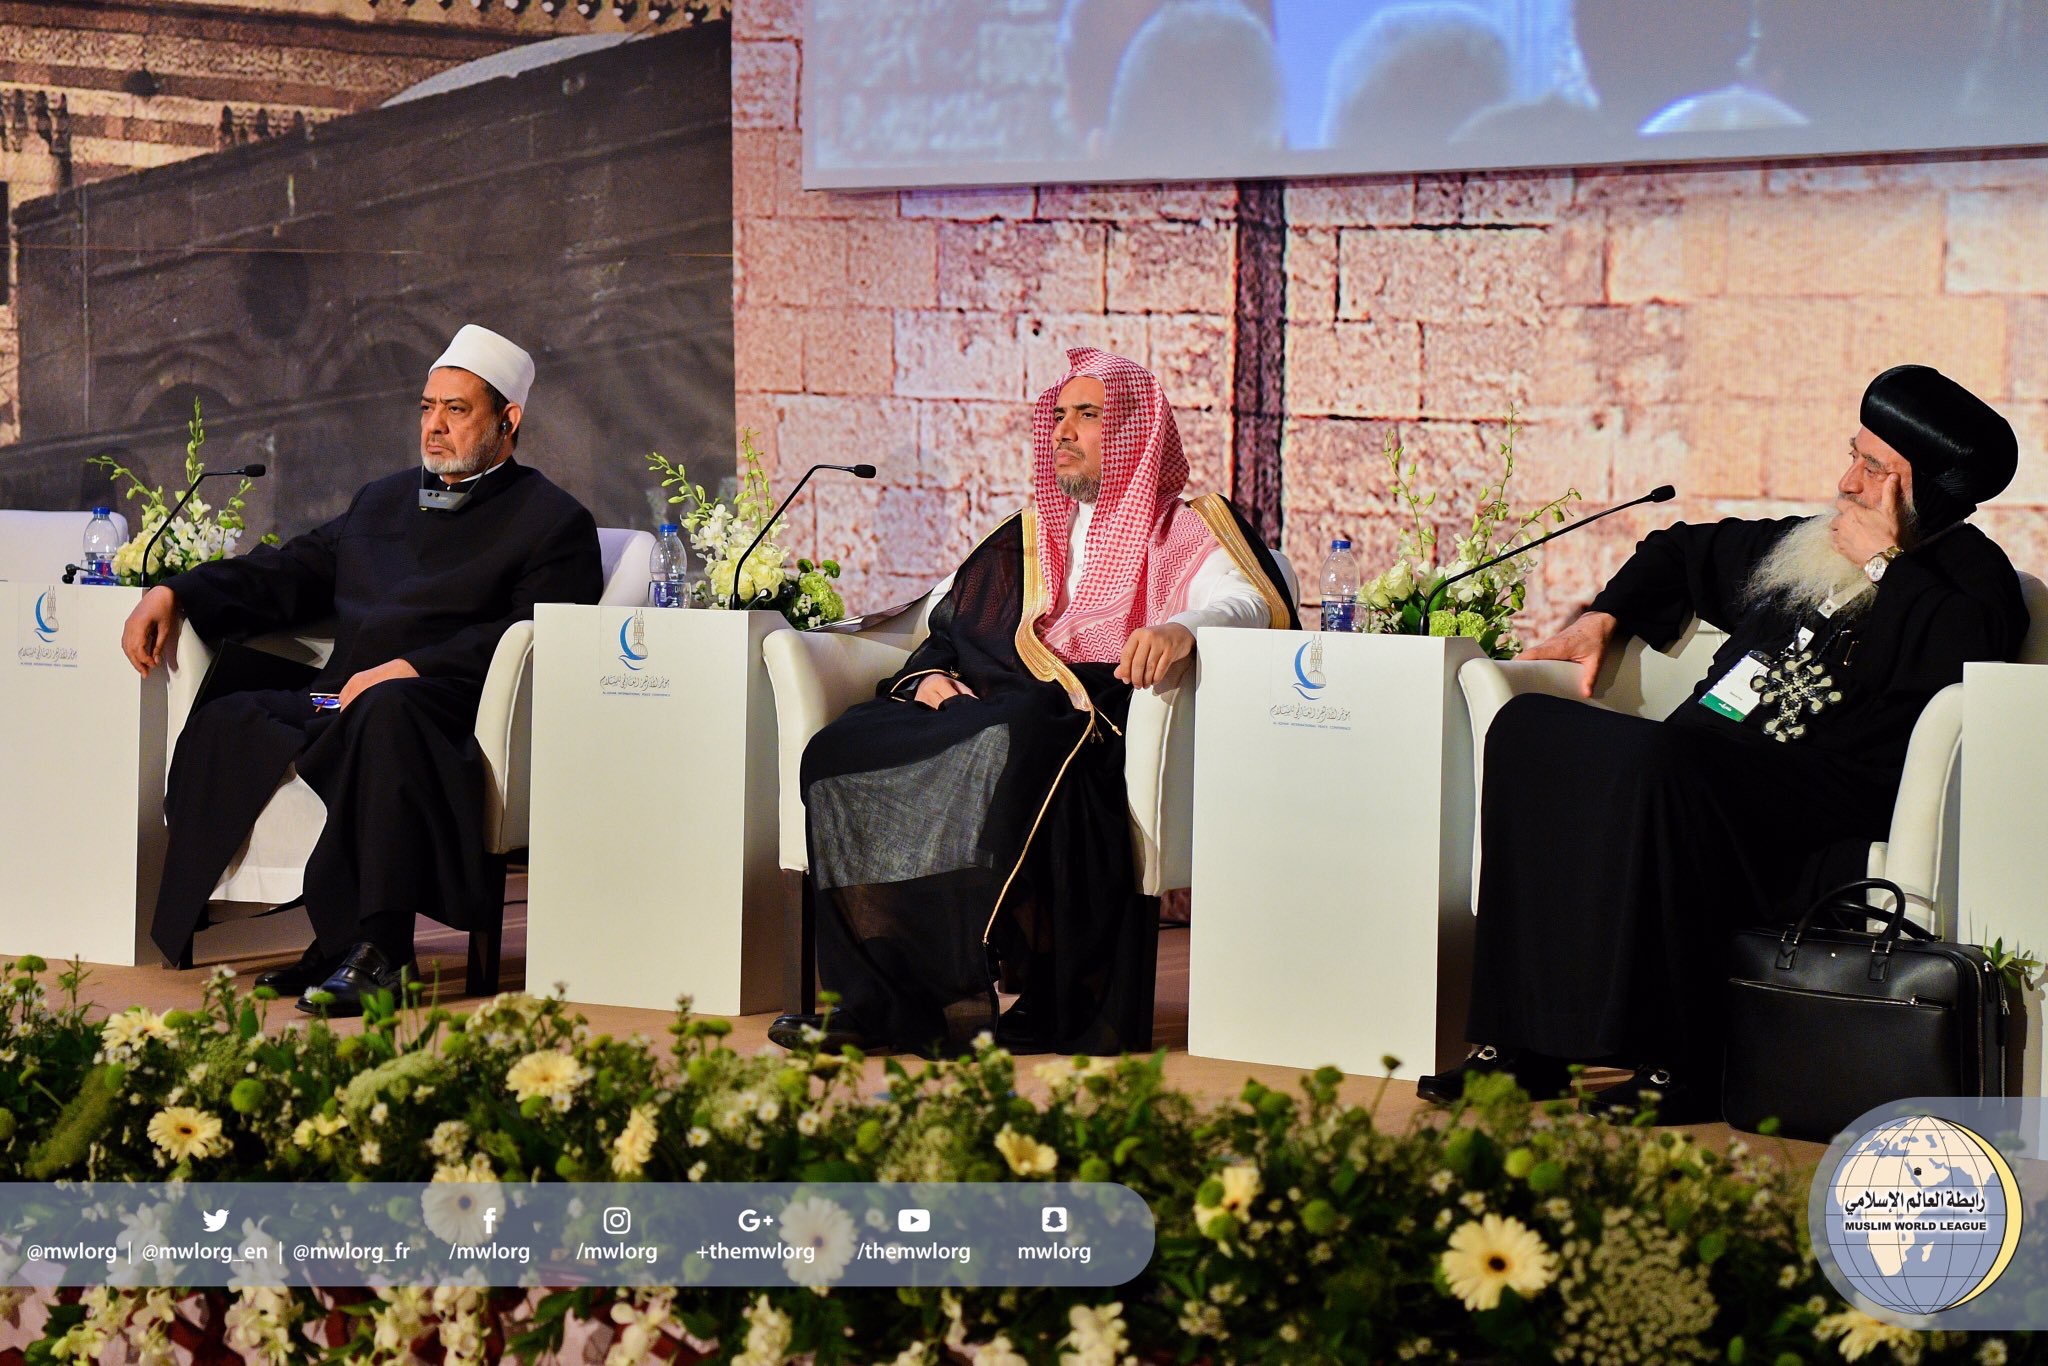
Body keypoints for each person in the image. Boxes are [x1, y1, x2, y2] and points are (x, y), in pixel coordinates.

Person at [1418, 365, 2028, 1123]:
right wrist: (1604, 618)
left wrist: (1887, 563)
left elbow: (1932, 681)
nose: (1848, 481)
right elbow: (1677, 551)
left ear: (1927, 490)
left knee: (1662, 762)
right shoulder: (1811, 544)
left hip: (1831, 785)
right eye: (1854, 453)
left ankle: (1679, 1061)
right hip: (1705, 765)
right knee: (1528, 729)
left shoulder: (1972, 584)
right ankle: (1526, 1046)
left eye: (1876, 469)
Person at [769, 348, 1297, 1058]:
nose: (1063, 431)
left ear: (1137, 431)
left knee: (1013, 731)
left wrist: (1179, 629)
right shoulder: (1027, 533)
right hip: (998, 705)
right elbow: (948, 623)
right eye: (1058, 415)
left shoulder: (1186, 526)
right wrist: (924, 675)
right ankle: (869, 1002)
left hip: (1087, 712)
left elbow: (1247, 598)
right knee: (839, 747)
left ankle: (946, 1003)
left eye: (1087, 415)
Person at [122, 324, 602, 1014]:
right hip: (342, 698)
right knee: (232, 713)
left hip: (446, 709)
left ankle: (384, 950)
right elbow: (289, 571)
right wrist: (178, 592)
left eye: (456, 410)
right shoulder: (381, 499)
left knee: (387, 714)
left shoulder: (554, 522)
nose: (434, 427)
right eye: (426, 408)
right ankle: (335, 937)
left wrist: (410, 666)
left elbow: (539, 633)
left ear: (508, 420)